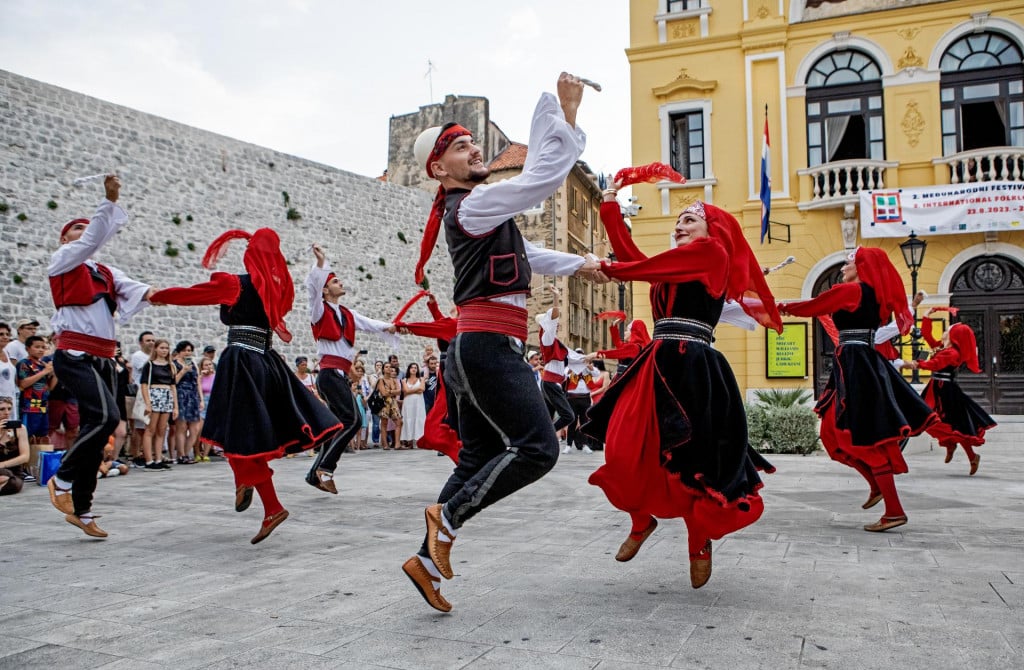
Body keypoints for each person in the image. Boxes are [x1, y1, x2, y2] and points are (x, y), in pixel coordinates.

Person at [401, 72, 607, 612]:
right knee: (538, 449)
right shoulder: (470, 204)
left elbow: (529, 258)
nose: (473, 150)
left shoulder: (480, 211)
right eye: (461, 146)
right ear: (438, 169)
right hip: (487, 346)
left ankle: (425, 561)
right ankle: (445, 519)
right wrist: (566, 114)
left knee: (478, 458)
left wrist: (582, 264)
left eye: (471, 143)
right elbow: (540, 180)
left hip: (480, 347)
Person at [581, 191, 781, 589]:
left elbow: (637, 265)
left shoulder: (712, 254)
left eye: (689, 220)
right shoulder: (679, 260)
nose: (679, 226)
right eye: (679, 222)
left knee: (693, 463)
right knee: (622, 449)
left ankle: (699, 543)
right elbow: (637, 259)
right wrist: (609, 210)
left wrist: (606, 266)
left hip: (693, 366)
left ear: (711, 229)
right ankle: (642, 520)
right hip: (658, 361)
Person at [149, 228, 344, 544]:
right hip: (267, 362)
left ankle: (262, 495)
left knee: (238, 434)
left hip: (241, 360)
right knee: (247, 433)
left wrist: (159, 296)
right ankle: (247, 483)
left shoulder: (235, 283)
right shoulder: (277, 290)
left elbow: (195, 294)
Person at [779, 247, 937, 532]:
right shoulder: (872, 296)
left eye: (848, 263)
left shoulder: (854, 291)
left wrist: (780, 308)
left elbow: (816, 305)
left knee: (860, 435)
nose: (842, 269)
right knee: (831, 432)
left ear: (861, 266)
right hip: (856, 362)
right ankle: (877, 486)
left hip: (856, 365)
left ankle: (893, 510)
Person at [45, 175, 155, 538]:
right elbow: (93, 238)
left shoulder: (106, 271)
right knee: (106, 419)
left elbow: (140, 291)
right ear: (64, 238)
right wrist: (109, 201)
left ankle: (83, 508)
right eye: (76, 228)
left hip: (104, 359)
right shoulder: (63, 260)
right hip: (74, 355)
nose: (84, 231)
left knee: (102, 426)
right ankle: (60, 479)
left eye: (85, 226)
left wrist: (184, 294)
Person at [304, 243, 397, 492]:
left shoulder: (348, 313)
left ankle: (316, 473)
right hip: (328, 374)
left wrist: (390, 326)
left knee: (339, 424)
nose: (341, 284)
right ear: (326, 289)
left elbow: (370, 324)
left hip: (338, 376)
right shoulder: (318, 310)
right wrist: (321, 264)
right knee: (353, 421)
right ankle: (326, 468)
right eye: (336, 282)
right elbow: (312, 289)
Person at [905, 308, 996, 475]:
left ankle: (967, 453)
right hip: (935, 388)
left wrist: (916, 364)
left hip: (945, 391)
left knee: (951, 426)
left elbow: (935, 364)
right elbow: (927, 336)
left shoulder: (952, 353)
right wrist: (926, 316)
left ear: (954, 336)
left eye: (947, 330)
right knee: (927, 420)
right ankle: (950, 444)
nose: (945, 331)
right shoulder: (942, 347)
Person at [535, 288, 578, 451]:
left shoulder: (554, 341)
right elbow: (553, 320)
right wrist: (556, 298)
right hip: (550, 383)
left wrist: (592, 357)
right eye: (553, 321)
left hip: (551, 383)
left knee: (546, 417)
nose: (557, 323)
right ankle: (546, 437)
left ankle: (539, 441)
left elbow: (573, 356)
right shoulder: (546, 337)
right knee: (568, 415)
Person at [140, 339, 178, 469]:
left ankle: (158, 459)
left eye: (166, 348)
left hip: (167, 395)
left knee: (162, 430)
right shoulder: (149, 365)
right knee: (150, 429)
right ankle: (149, 460)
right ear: (156, 349)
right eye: (162, 348)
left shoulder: (170, 366)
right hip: (154, 394)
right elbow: (144, 384)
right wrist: (148, 402)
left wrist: (175, 406)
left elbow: (173, 386)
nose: (164, 350)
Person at [16, 335, 56, 444]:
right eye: (37, 347)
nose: (41, 350)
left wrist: (55, 372)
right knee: (27, 434)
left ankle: (36, 459)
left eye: (43, 347)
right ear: (27, 349)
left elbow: (50, 387)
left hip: (43, 403)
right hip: (29, 404)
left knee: (41, 435)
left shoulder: (44, 365)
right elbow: (23, 384)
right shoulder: (24, 363)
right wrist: (44, 372)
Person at [172, 341, 203, 463]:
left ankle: (186, 452)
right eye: (185, 350)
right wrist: (183, 371)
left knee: (195, 428)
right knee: (182, 427)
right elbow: (173, 381)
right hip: (181, 394)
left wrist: (200, 398)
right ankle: (181, 455)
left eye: (189, 350)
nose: (187, 353)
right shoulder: (174, 364)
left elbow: (198, 381)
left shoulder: (193, 363)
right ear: (179, 352)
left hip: (193, 395)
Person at [128, 331, 156, 466]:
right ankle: (136, 454)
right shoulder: (138, 356)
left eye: (152, 340)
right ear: (141, 343)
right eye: (148, 340)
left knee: (150, 426)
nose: (151, 343)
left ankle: (146, 452)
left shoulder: (153, 356)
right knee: (139, 427)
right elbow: (149, 369)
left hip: (153, 393)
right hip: (141, 393)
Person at [0, 396, 30, 495]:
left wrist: (3, 465)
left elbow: (25, 457)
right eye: (2, 409)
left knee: (13, 483)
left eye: (9, 409)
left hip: (12, 472)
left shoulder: (20, 428)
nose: (7, 412)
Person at [376, 364, 403, 449]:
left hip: (393, 402)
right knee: (384, 423)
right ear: (383, 369)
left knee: (398, 421)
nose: (389, 368)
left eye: (390, 367)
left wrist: (390, 391)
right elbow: (383, 393)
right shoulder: (381, 380)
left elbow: (399, 391)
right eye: (386, 367)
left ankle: (397, 444)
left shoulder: (394, 380)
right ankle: (385, 444)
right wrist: (393, 391)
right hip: (384, 402)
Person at [401, 362, 426, 448]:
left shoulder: (421, 379)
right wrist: (416, 389)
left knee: (418, 419)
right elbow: (406, 391)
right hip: (408, 403)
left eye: (415, 367)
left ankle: (419, 440)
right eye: (412, 367)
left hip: (418, 403)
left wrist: (411, 390)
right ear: (409, 369)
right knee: (408, 419)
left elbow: (422, 389)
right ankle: (410, 441)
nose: (414, 369)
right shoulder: (404, 380)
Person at [0, 324, 17, 420]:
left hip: (10, 400)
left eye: (7, 334)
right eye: (1, 334)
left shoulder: (6, 352)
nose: (5, 337)